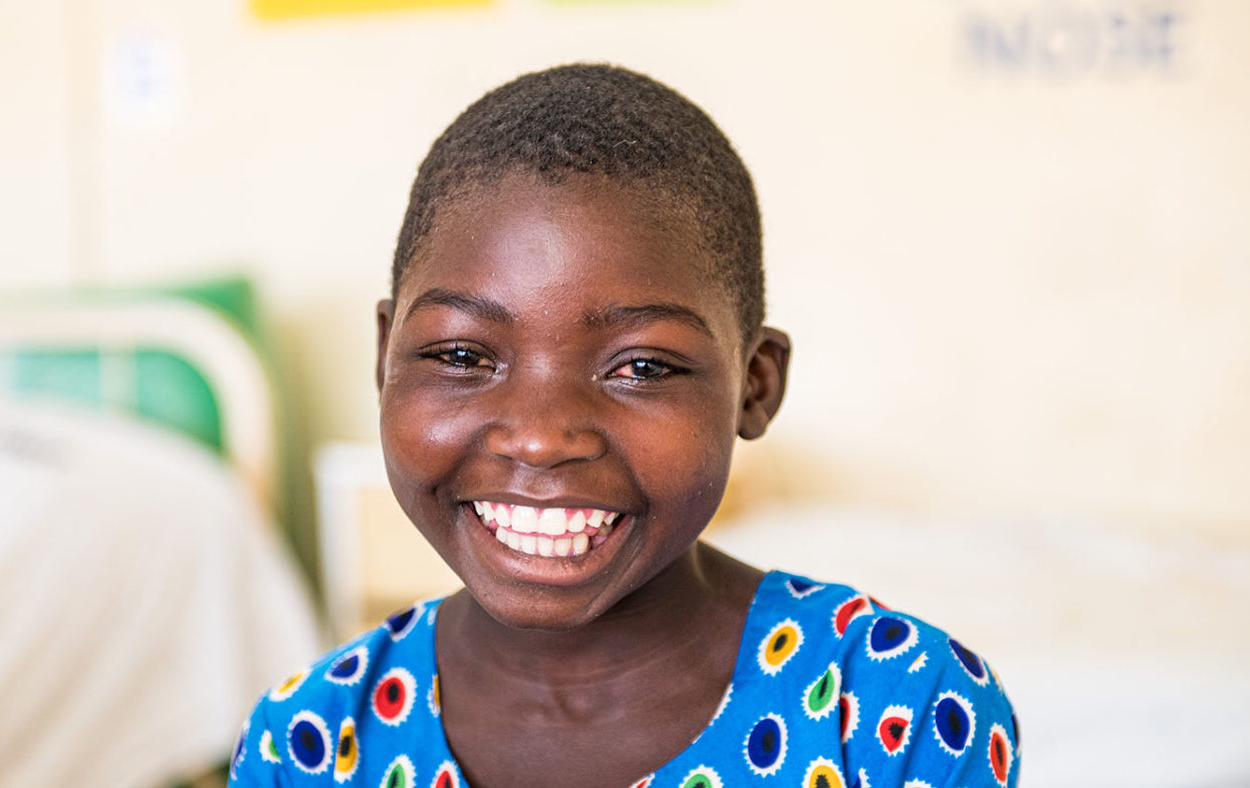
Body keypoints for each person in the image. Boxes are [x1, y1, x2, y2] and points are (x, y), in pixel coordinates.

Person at [229, 63, 1020, 788]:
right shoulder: (307, 743)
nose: (539, 438)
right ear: (385, 357)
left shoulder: (896, 712)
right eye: (464, 355)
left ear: (755, 385)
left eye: (640, 367)